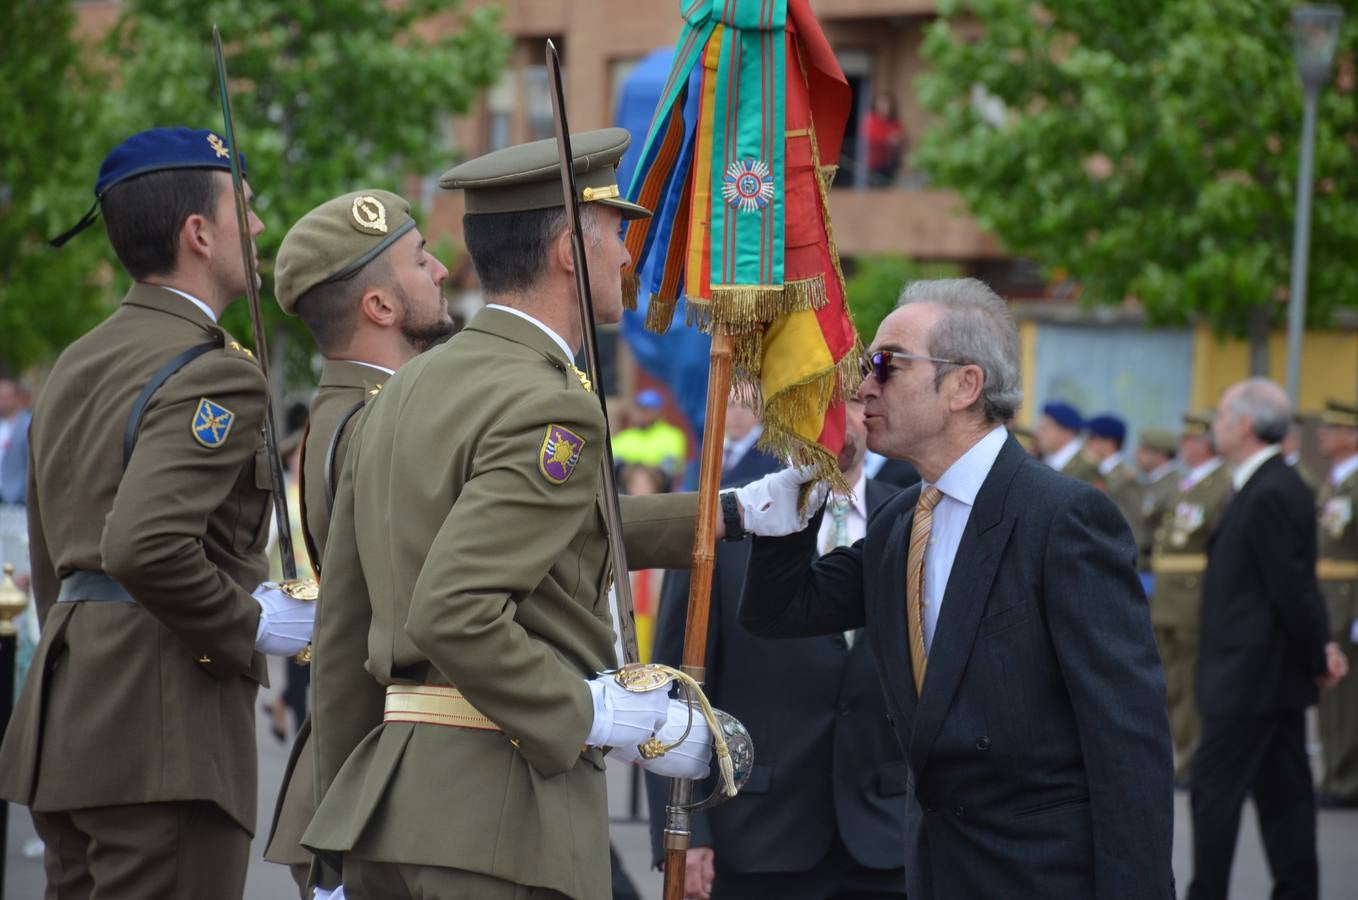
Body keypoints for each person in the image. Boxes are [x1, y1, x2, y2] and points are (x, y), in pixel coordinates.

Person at [302, 129, 724, 900]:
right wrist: (591, 712)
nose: (628, 258)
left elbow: (343, 632)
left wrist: (339, 825)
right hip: (499, 822)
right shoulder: (551, 404)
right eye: (615, 235)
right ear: (568, 247)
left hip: (385, 813)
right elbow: (454, 611)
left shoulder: (403, 389)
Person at [739, 278, 1174, 899]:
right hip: (937, 868)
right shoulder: (899, 521)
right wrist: (790, 511)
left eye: (885, 364)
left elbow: (1127, 739)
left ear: (964, 386)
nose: (864, 386)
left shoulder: (1063, 519)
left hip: (1042, 876)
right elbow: (780, 610)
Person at [0, 127, 315, 900]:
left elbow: (55, 560)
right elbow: (142, 546)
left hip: (72, 714)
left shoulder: (79, 357)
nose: (261, 227)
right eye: (245, 207)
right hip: (165, 733)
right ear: (197, 234)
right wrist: (252, 623)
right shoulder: (214, 372)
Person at [262, 189, 453, 896]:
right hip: (384, 787)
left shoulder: (351, 410)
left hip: (368, 783)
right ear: (379, 307)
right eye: (421, 259)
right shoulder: (374, 426)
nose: (438, 271)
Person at [647, 395, 908, 900]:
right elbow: (675, 688)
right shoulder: (728, 518)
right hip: (757, 835)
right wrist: (687, 829)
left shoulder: (912, 517)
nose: (834, 416)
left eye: (851, 399)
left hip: (888, 837)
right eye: (814, 399)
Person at [1189, 377, 1348, 900]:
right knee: (1285, 796)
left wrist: (1317, 652)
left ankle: (1207, 892)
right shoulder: (1261, 485)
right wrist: (1315, 652)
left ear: (1245, 425)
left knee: (1215, 792)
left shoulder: (1274, 489)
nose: (1215, 425)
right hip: (1267, 676)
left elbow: (1292, 589)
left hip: (1250, 679)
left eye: (1222, 415)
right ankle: (1296, 890)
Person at [1149, 412, 1230, 785]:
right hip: (1169, 598)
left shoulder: (1220, 484)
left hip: (1191, 600)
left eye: (1191, 440)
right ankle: (1182, 754)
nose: (1183, 446)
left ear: (1206, 444)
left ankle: (1193, 759)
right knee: (1173, 682)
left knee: (1190, 681)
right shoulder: (1190, 483)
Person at [1314, 400, 1358, 809]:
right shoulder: (1334, 482)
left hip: (1350, 602)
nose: (1323, 435)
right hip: (1329, 598)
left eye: (1334, 429)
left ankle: (1347, 780)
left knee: (1347, 698)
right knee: (1331, 696)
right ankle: (1333, 773)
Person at [614, 387, 688, 487]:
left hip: (659, 487)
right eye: (638, 408)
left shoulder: (673, 435)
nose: (640, 414)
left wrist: (644, 471)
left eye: (646, 409)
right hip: (626, 486)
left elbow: (670, 468)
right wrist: (635, 470)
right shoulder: (623, 437)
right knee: (638, 477)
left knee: (642, 478)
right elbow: (615, 466)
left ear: (657, 412)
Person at [1085, 412, 1142, 530]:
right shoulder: (1095, 471)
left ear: (1109, 443)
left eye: (1092, 438)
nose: (1087, 443)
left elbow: (1129, 519)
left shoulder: (1125, 477)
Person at [1134, 427, 1180, 572]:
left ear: (1160, 454)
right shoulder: (1150, 483)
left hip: (1153, 567)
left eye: (1144, 450)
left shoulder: (1174, 486)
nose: (1136, 455)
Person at [720, 390, 783, 486]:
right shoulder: (708, 452)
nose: (738, 414)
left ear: (761, 412)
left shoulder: (773, 457)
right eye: (731, 405)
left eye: (746, 405)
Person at [1034, 399, 1101, 483]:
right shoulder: (1043, 460)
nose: (1037, 434)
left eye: (1045, 429)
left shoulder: (1087, 469)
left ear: (1067, 432)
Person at [863, 92, 906, 187]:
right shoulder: (871, 120)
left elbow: (901, 137)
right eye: (882, 103)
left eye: (887, 103)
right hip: (873, 164)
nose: (884, 106)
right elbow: (872, 136)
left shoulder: (894, 122)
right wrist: (889, 138)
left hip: (890, 164)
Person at [0, 377, 31, 505]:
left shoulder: (26, 426)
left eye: (6, 397)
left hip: (16, 499)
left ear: (16, 398)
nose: (3, 402)